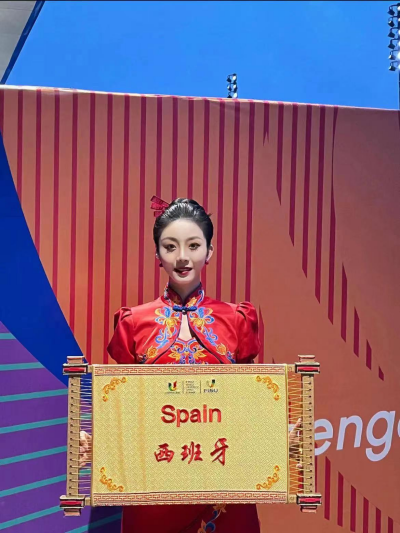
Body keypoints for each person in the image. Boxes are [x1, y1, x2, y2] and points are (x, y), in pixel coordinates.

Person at [80, 196, 302, 533]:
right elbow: (125, 407)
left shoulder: (236, 319)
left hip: (225, 485)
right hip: (154, 489)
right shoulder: (133, 323)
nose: (182, 257)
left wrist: (275, 434)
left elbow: (248, 400)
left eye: (193, 245)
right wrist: (100, 440)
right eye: (170, 246)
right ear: (158, 254)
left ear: (209, 251)